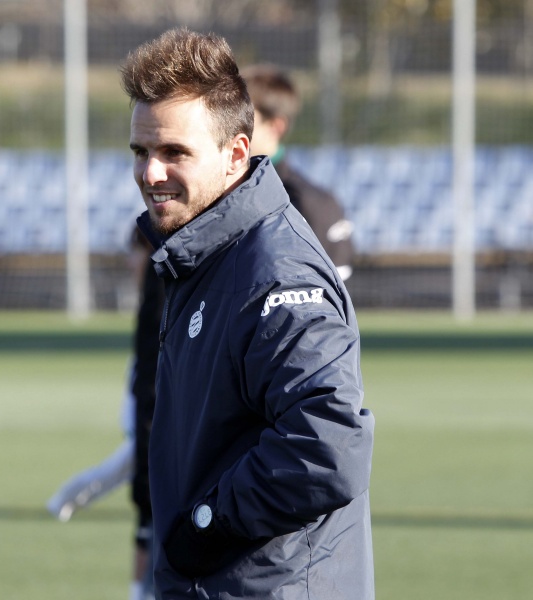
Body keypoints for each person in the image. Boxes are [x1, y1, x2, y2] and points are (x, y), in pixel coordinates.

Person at [120, 27, 375, 599]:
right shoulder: (200, 256)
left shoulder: (275, 274)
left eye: (174, 152)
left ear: (236, 155)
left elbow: (328, 444)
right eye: (141, 151)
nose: (150, 173)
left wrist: (206, 524)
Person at [47, 226, 163, 600]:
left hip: (158, 445)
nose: (130, 262)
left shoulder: (165, 296)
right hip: (146, 439)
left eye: (135, 252)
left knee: (145, 513)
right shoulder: (152, 303)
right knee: (142, 517)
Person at [241, 64, 355, 281]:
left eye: (243, 117)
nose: (229, 125)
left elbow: (328, 293)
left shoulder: (314, 205)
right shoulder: (212, 193)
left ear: (276, 126)